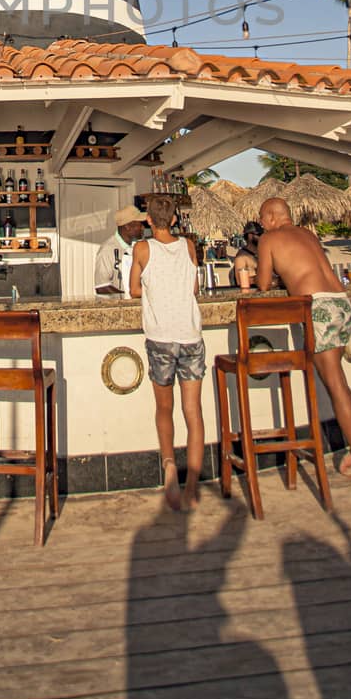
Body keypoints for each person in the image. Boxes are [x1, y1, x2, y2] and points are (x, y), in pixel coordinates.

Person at [256, 198, 351, 484]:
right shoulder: (308, 234)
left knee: (335, 384)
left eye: (262, 218)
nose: (260, 224)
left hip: (318, 307)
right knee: (340, 382)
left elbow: (261, 284)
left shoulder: (269, 239)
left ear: (272, 217)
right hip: (339, 301)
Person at [130, 193, 203, 511]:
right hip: (191, 336)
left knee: (164, 408)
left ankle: (170, 464)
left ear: (147, 220)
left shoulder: (142, 248)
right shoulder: (188, 246)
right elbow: (195, 288)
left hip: (160, 338)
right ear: (175, 219)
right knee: (193, 412)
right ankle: (192, 488)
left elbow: (134, 289)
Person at [94, 205, 148, 296]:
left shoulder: (137, 246)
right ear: (128, 226)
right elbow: (101, 287)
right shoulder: (107, 250)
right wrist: (127, 295)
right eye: (140, 224)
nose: (143, 228)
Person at [231, 221, 262, 290]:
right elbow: (240, 282)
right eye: (259, 234)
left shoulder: (262, 254)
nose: (261, 237)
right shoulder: (241, 258)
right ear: (250, 236)